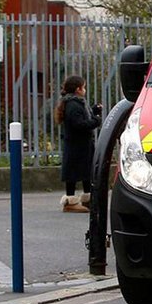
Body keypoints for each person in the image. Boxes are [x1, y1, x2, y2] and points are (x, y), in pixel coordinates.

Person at [55, 76, 102, 213]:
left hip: (81, 143)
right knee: (73, 172)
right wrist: (96, 121)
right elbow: (79, 124)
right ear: (78, 89)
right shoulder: (73, 105)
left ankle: (87, 198)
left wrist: (94, 111)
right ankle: (70, 201)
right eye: (84, 87)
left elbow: (82, 117)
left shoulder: (77, 103)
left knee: (86, 171)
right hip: (77, 144)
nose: (85, 90)